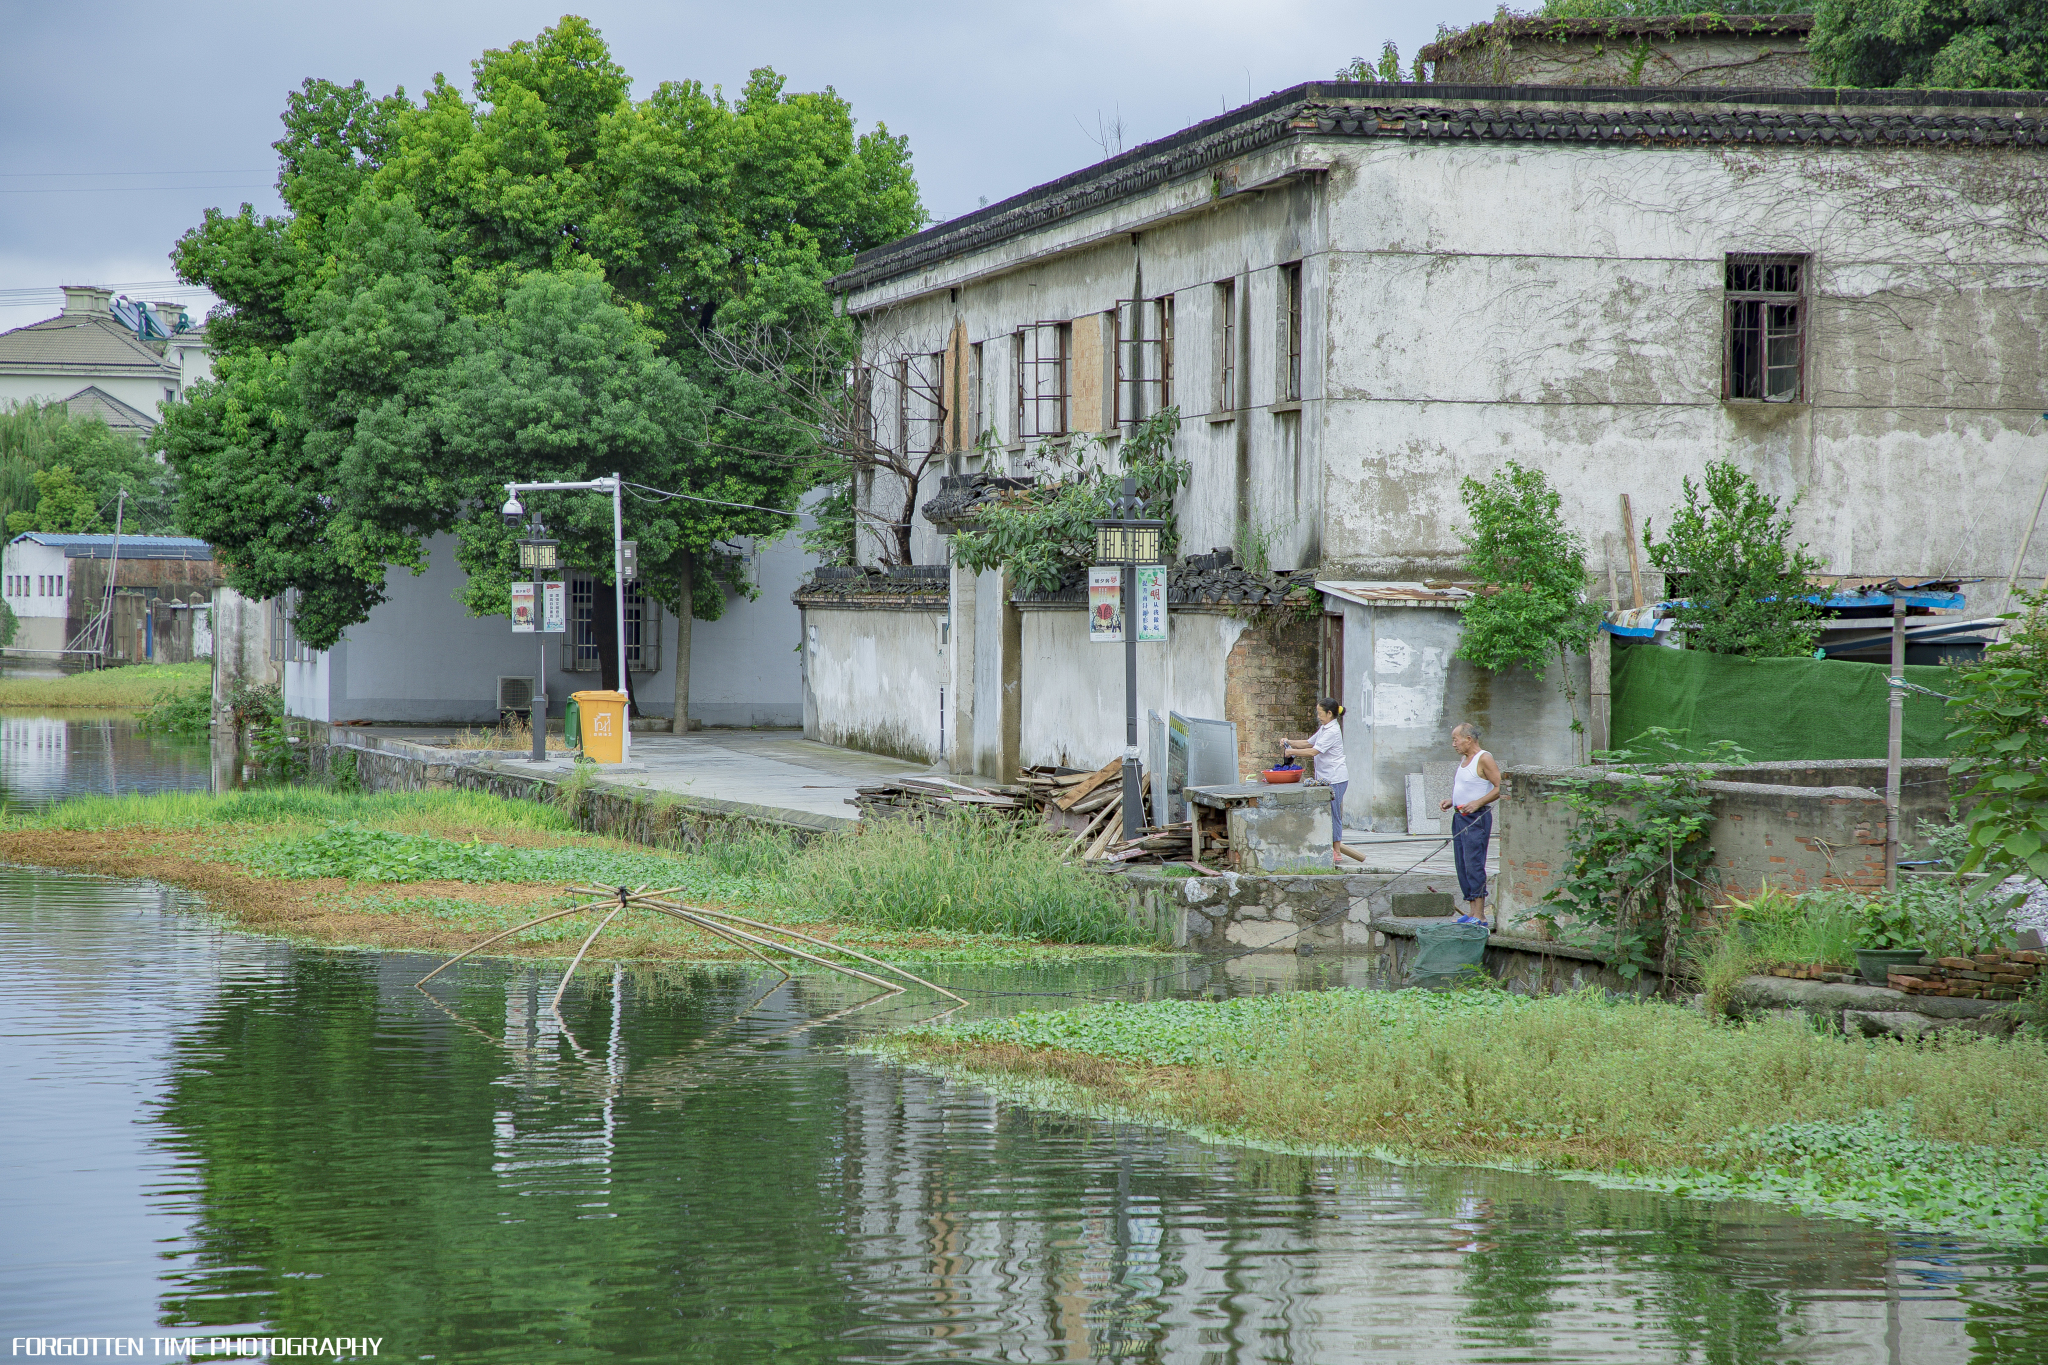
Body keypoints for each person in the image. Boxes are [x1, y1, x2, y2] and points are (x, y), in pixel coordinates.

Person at [1439, 722, 1501, 929]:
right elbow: (1467, 787)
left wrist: (1479, 802)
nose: (1453, 744)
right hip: (1459, 816)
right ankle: (1471, 910)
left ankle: (1480, 915)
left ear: (1469, 739)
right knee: (1462, 863)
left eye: (1456, 739)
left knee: (1474, 862)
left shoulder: (1484, 758)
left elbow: (1500, 787)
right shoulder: (1464, 760)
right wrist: (1452, 800)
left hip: (1476, 818)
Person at [1283, 698, 1354, 866]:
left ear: (1329, 713)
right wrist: (1289, 741)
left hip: (1335, 778)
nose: (1318, 716)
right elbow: (1308, 742)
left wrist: (1291, 751)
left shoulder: (1332, 731)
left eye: (1320, 713)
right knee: (1326, 813)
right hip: (1325, 778)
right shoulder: (1324, 728)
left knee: (1333, 813)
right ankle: (1329, 847)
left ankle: (1336, 851)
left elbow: (1314, 751)